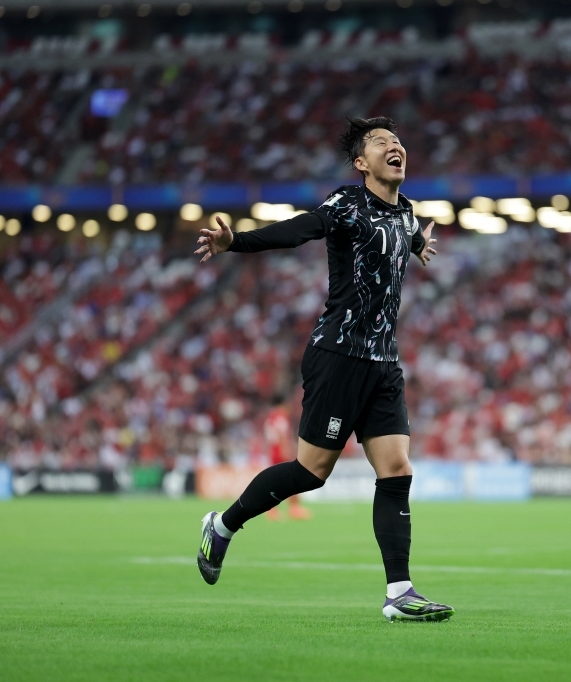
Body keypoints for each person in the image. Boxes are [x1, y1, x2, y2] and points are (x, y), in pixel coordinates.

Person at [194, 116, 453, 622]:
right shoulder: (347, 204)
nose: (394, 146)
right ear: (362, 163)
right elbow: (300, 230)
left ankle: (399, 592)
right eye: (381, 142)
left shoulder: (407, 216)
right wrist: (237, 242)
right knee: (312, 472)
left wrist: (419, 244)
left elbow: (401, 236)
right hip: (338, 355)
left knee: (397, 469)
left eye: (398, 140)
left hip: (384, 363)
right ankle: (221, 526)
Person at [263, 395, 311, 521]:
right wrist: (288, 452)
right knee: (293, 480)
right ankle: (294, 509)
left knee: (275, 482)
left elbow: (269, 438)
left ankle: (271, 510)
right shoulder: (281, 417)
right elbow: (283, 436)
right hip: (281, 453)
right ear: (283, 404)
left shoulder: (270, 417)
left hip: (273, 453)